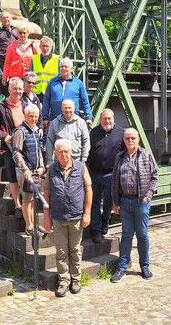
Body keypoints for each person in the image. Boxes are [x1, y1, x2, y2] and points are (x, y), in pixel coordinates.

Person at [42, 139, 92, 297]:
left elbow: (88, 190)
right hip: (58, 217)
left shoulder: (81, 167)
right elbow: (47, 194)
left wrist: (87, 213)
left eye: (66, 151)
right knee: (61, 251)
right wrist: (46, 218)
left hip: (76, 216)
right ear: (55, 153)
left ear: (71, 152)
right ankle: (63, 281)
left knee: (75, 250)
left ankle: (76, 279)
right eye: (60, 152)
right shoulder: (51, 170)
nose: (64, 154)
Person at [109, 128, 158, 283]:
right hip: (124, 201)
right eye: (127, 138)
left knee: (142, 234)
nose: (130, 141)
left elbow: (155, 177)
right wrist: (115, 201)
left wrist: (148, 196)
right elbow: (115, 181)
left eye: (133, 138)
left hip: (140, 201)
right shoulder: (119, 157)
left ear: (138, 140)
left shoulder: (146, 154)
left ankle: (144, 266)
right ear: (124, 140)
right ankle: (122, 267)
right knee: (126, 234)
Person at [0, 77, 28, 218]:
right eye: (15, 89)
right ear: (9, 89)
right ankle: (18, 205)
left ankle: (27, 203)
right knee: (12, 177)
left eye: (20, 89)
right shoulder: (0, 106)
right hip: (10, 147)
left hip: (25, 145)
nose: (18, 91)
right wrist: (4, 136)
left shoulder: (25, 104)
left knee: (26, 173)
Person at [86, 109, 125, 243]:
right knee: (95, 201)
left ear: (113, 119)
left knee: (109, 199)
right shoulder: (94, 132)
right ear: (100, 120)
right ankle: (96, 230)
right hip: (94, 172)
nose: (107, 121)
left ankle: (105, 220)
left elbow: (125, 153)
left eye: (109, 118)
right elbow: (88, 150)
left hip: (111, 174)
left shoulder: (121, 133)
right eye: (104, 119)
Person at [12, 104, 45, 233]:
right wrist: (24, 169)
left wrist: (41, 165)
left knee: (32, 199)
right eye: (31, 116)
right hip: (25, 171)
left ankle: (34, 224)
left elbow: (39, 151)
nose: (33, 119)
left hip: (35, 170)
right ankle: (29, 226)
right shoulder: (20, 131)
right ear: (25, 116)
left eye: (36, 116)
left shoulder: (35, 130)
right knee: (26, 199)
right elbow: (16, 153)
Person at [42, 58, 93, 128]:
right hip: (55, 119)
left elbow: (85, 101)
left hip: (73, 121)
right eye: (61, 67)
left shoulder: (78, 83)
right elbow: (46, 101)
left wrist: (88, 117)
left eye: (66, 67)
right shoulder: (52, 82)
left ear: (71, 69)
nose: (63, 69)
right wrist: (45, 118)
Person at [45, 99, 90, 166]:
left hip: (77, 162)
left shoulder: (81, 123)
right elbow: (49, 142)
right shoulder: (55, 122)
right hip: (59, 163)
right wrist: (49, 161)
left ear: (74, 108)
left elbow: (86, 142)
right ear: (62, 109)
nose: (68, 110)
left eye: (70, 108)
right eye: (65, 108)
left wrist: (83, 161)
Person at [0, 11, 19, 84]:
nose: (6, 19)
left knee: (13, 78)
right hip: (1, 58)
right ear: (1, 20)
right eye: (3, 18)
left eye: (7, 17)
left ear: (11, 18)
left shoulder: (17, 29)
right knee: (2, 77)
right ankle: (4, 94)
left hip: (13, 58)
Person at [21, 72, 43, 137]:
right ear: (24, 82)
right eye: (29, 82)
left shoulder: (36, 98)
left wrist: (41, 127)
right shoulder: (20, 96)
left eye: (33, 83)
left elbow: (40, 114)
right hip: (23, 128)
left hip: (34, 128)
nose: (31, 85)